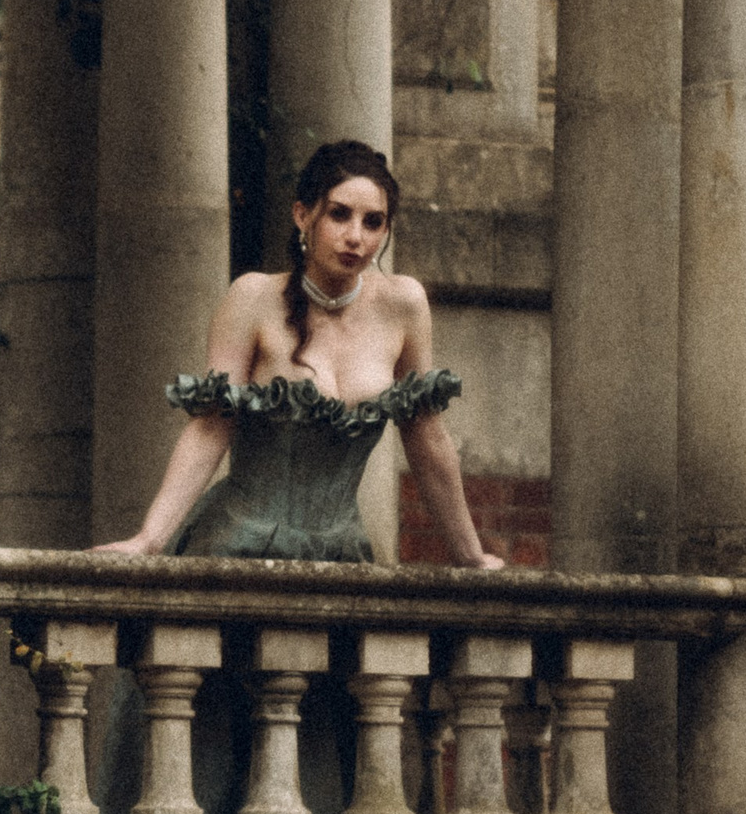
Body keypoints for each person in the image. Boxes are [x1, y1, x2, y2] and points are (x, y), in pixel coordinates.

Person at [97, 137, 504, 568]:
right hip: (241, 547)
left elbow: (427, 437)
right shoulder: (252, 297)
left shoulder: (404, 305)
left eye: (373, 222)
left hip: (342, 557)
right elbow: (210, 428)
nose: (355, 237)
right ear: (302, 216)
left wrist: (471, 556)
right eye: (339, 214)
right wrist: (149, 539)